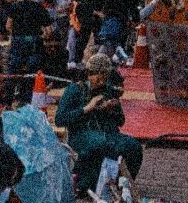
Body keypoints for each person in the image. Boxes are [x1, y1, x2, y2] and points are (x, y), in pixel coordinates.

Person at [55, 52, 143, 194]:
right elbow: (60, 119)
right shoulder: (75, 90)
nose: (101, 81)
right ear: (90, 74)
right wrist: (87, 108)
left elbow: (121, 121)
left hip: (108, 133)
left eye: (104, 78)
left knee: (133, 146)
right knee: (100, 144)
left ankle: (122, 182)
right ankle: (87, 182)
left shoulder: (108, 90)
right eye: (98, 77)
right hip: (82, 134)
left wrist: (111, 110)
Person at [4, 0, 50, 107]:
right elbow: (48, 31)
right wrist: (41, 36)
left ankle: (7, 102)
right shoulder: (40, 9)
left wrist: (18, 34)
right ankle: (25, 102)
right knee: (31, 74)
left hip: (17, 42)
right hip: (34, 44)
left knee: (13, 72)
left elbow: (8, 26)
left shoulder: (16, 6)